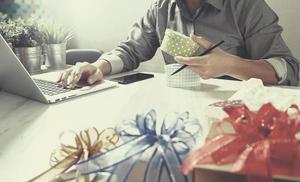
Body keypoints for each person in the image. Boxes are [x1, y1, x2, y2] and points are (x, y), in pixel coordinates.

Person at [58, 0, 299, 87]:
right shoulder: (161, 7)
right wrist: (100, 66)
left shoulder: (246, 6)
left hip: (236, 122)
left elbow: (288, 67)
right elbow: (131, 49)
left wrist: (231, 65)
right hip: (178, 116)